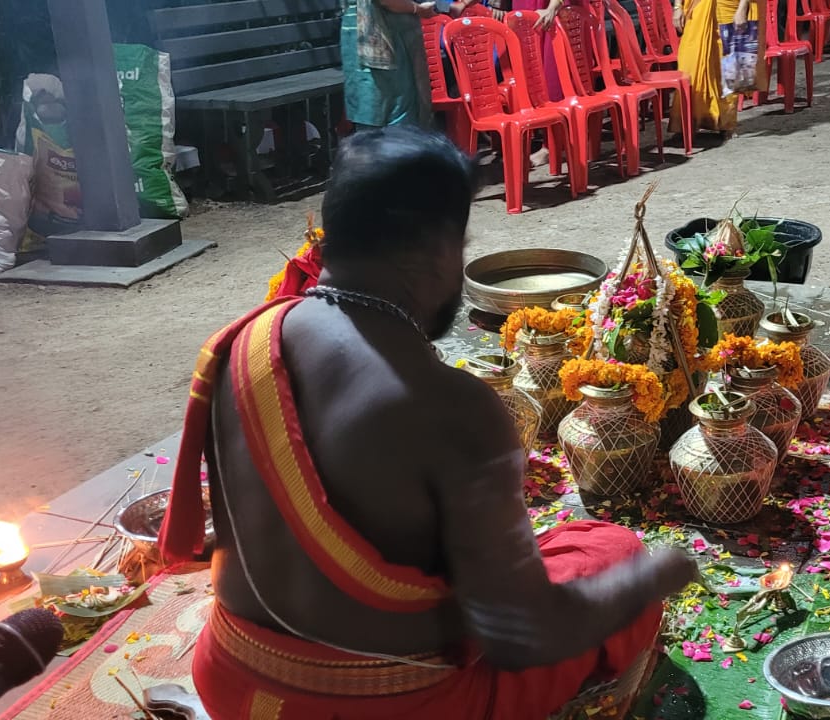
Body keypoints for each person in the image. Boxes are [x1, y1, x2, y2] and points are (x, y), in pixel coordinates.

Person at [160, 127, 696, 719]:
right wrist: (660, 574)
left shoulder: (247, 339)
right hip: (382, 708)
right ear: (438, 247)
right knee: (613, 550)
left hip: (231, 677)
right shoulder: (452, 407)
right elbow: (522, 637)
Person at [673, 0, 768, 135]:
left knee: (729, 65)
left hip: (729, 7)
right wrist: (678, 7)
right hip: (697, 7)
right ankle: (690, 119)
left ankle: (727, 123)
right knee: (691, 60)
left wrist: (742, 8)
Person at [342, 0, 439, 129]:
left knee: (370, 112)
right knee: (390, 116)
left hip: (359, 34)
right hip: (383, 35)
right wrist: (418, 9)